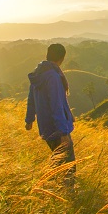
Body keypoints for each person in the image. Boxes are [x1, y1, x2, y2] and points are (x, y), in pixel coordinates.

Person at [25, 43, 76, 187]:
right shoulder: (53, 77)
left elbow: (31, 98)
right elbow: (56, 105)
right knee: (68, 164)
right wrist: (63, 132)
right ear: (62, 58)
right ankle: (66, 191)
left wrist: (29, 119)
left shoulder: (38, 73)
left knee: (58, 160)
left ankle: (54, 186)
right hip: (56, 128)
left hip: (45, 126)